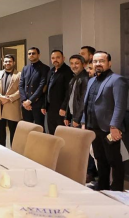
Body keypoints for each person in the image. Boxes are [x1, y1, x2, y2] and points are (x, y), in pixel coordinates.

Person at [82, 51, 128, 191]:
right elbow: (87, 103)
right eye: (95, 61)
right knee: (100, 159)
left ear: (109, 63)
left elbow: (120, 106)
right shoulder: (91, 80)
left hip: (108, 128)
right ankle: (103, 187)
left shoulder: (117, 80)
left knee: (114, 160)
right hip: (92, 127)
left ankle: (117, 189)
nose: (98, 64)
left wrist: (115, 126)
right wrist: (84, 123)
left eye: (101, 61)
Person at [64, 55, 96, 183]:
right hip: (73, 116)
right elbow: (70, 98)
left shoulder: (85, 79)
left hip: (81, 118)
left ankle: (89, 172)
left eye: (76, 63)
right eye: (71, 63)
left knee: (86, 146)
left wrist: (77, 118)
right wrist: (67, 116)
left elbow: (83, 101)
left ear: (83, 64)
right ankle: (80, 170)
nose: (74, 66)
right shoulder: (74, 78)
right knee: (78, 146)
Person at [0, 54, 21, 147]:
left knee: (13, 130)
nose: (8, 63)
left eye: (10, 61)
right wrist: (0, 97)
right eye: (6, 61)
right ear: (3, 62)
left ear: (14, 63)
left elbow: (21, 90)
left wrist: (9, 98)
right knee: (0, 130)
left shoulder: (19, 74)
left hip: (12, 105)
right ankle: (1, 148)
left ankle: (13, 150)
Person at [42, 50, 73, 135]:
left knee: (61, 133)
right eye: (53, 58)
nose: (55, 60)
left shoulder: (68, 71)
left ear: (63, 58)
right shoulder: (51, 71)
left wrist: (64, 108)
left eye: (58, 57)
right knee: (51, 131)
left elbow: (69, 92)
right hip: (50, 107)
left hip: (60, 108)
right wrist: (44, 105)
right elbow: (47, 89)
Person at [19, 47, 49, 127]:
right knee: (27, 127)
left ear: (38, 55)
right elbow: (21, 85)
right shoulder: (25, 68)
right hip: (25, 104)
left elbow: (42, 86)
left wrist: (30, 101)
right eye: (29, 53)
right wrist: (24, 101)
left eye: (33, 53)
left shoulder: (45, 68)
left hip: (37, 103)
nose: (31, 55)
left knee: (39, 127)